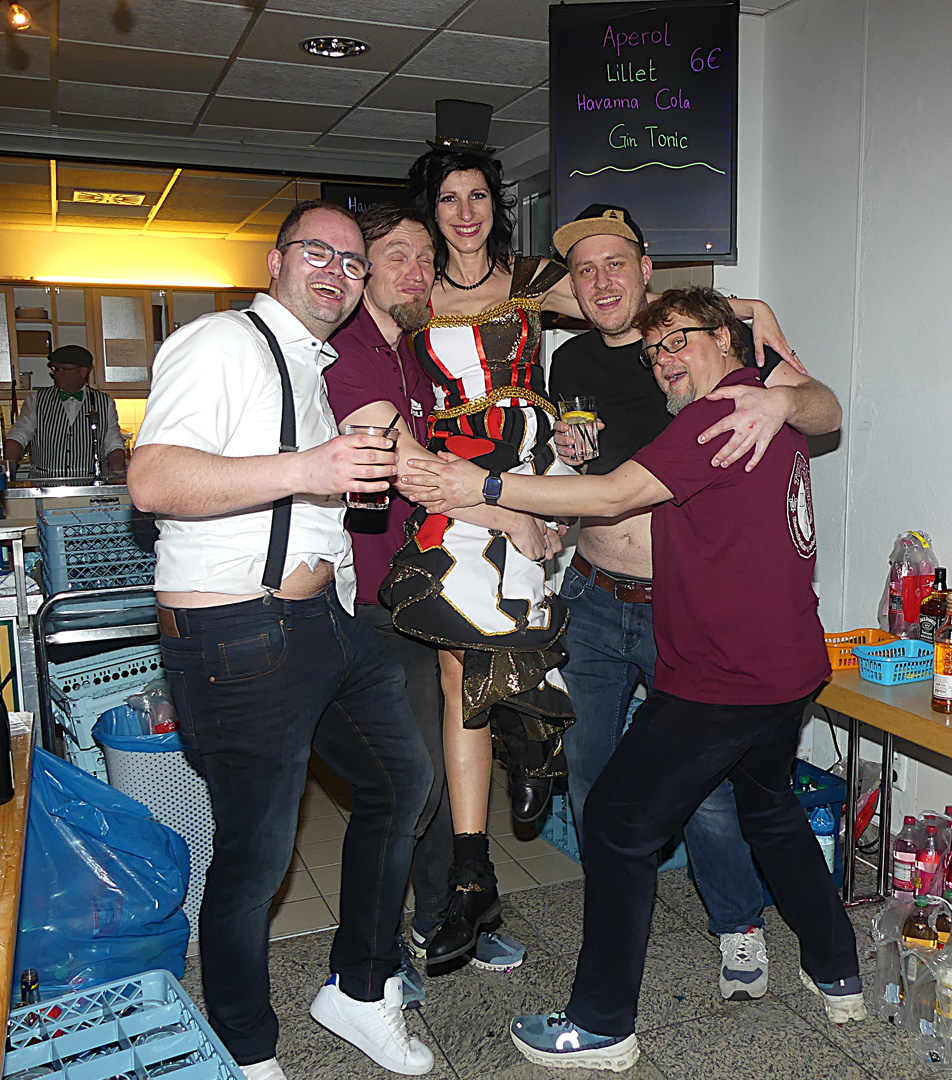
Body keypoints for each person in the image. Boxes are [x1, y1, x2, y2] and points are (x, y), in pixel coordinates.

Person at [400, 286, 866, 1072]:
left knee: (617, 821)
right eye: (654, 352)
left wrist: (482, 487)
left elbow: (614, 495)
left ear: (726, 340)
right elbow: (812, 400)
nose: (664, 360)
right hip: (786, 669)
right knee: (770, 809)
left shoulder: (720, 417)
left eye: (679, 340)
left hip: (724, 676)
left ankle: (602, 1025)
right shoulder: (766, 407)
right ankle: (836, 969)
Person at [127, 199, 437, 1079]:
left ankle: (360, 990)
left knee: (400, 781)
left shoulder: (312, 363)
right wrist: (312, 467)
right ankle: (244, 1046)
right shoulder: (221, 343)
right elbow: (152, 478)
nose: (337, 271)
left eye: (352, 261)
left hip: (320, 621)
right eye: (317, 252)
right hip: (235, 631)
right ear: (275, 260)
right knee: (256, 855)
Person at [546, 204, 844, 1002]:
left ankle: (736, 928)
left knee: (707, 794)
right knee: (593, 776)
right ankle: (616, 921)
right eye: (583, 270)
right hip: (594, 595)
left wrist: (780, 396)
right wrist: (560, 460)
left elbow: (826, 407)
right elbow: (587, 472)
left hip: (683, 609)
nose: (600, 281)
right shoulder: (572, 359)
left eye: (616, 263)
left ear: (647, 271)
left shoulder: (713, 364)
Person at [379, 99, 583, 967]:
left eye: (477, 196)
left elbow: (627, 308)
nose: (464, 212)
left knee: (518, 629)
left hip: (526, 473)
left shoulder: (535, 277)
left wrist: (744, 307)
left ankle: (533, 740)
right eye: (448, 199)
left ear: (496, 205)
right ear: (431, 211)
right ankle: (472, 866)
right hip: (449, 482)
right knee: (459, 657)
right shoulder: (412, 294)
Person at [325, 201, 527, 1003]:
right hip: (371, 601)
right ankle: (373, 957)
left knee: (447, 758)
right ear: (361, 270)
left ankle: (447, 913)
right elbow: (409, 466)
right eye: (397, 256)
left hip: (427, 589)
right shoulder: (350, 352)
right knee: (407, 780)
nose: (417, 272)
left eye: (424, 258)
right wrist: (513, 515)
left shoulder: (409, 352)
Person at [4, 344, 125, 479]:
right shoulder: (36, 401)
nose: (56, 374)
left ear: (83, 372)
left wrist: (116, 466)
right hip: (45, 485)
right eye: (55, 369)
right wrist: (9, 469)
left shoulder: (104, 402)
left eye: (63, 370)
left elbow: (113, 442)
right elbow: (18, 436)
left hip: (90, 485)